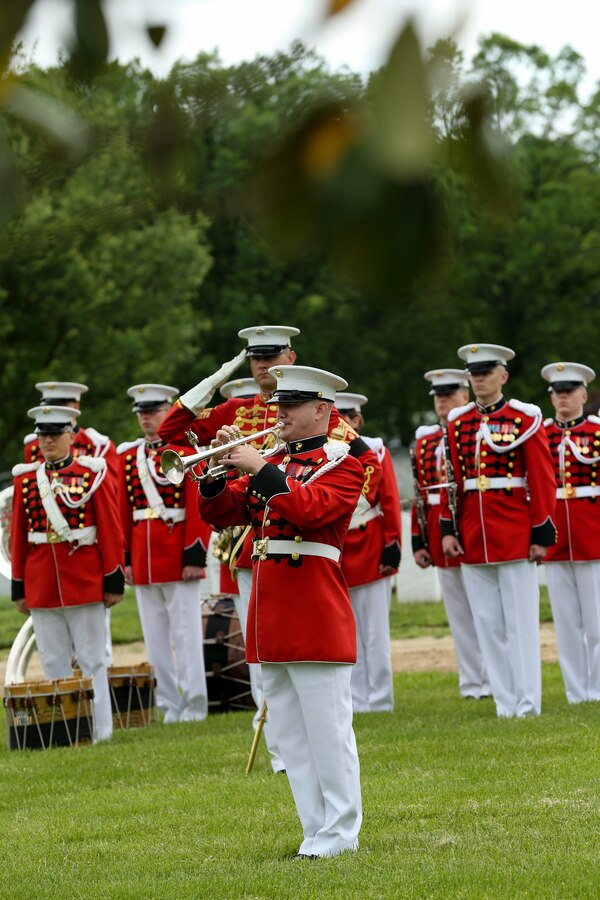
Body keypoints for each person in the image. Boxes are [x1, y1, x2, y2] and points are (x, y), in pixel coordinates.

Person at [158, 325, 382, 772]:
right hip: (252, 552)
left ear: (290, 359)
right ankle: (284, 753)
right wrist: (219, 470)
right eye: (255, 358)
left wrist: (270, 473)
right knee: (272, 670)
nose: (263, 366)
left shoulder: (331, 437)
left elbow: (359, 475)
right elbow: (173, 433)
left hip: (307, 550)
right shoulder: (238, 410)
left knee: (317, 695)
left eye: (270, 357)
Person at [198, 365, 364, 859]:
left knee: (328, 732)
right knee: (290, 733)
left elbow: (309, 509)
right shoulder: (270, 461)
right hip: (270, 612)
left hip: (314, 608)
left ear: (321, 410)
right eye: (279, 406)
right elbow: (225, 513)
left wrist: (256, 467)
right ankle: (315, 832)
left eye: (290, 407)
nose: (280, 414)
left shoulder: (345, 461)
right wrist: (214, 473)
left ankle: (342, 833)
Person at [440, 344, 556, 718]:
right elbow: (452, 481)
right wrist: (448, 529)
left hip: (515, 532)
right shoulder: (458, 421)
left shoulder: (525, 418)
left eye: (486, 371)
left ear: (503, 376)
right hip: (474, 534)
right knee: (487, 624)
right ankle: (505, 704)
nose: (478, 378)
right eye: (474, 372)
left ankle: (527, 703)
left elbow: (541, 477)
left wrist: (541, 531)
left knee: (521, 624)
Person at [11, 405, 124, 742]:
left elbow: (109, 529)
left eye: (55, 434)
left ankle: (101, 729)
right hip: (41, 582)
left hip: (85, 580)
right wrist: (20, 587)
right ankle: (64, 730)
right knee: (53, 661)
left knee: (92, 660)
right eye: (43, 435)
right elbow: (18, 536)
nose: (47, 441)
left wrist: (112, 579)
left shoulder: (93, 473)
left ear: (71, 436)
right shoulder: (26, 478)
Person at [118, 383, 211, 724]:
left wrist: (193, 556)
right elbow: (123, 513)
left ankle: (194, 705)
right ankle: (168, 704)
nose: (147, 418)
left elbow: (199, 506)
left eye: (154, 411)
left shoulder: (185, 450)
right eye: (142, 412)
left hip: (177, 554)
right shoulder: (129, 458)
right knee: (156, 641)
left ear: (170, 410)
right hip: (143, 560)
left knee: (186, 636)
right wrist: (125, 559)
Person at [411, 369, 490, 700]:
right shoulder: (426, 439)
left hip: (470, 522)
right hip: (435, 524)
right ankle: (473, 681)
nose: (441, 400)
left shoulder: (472, 430)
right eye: (437, 395)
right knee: (458, 612)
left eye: (449, 393)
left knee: (484, 610)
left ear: (465, 395)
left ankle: (493, 676)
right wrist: (419, 539)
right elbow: (419, 492)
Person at [335, 391, 401, 712]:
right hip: (339, 552)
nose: (340, 425)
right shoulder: (326, 453)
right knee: (349, 634)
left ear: (357, 420)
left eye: (346, 418)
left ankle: (381, 698)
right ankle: (357, 698)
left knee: (375, 633)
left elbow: (388, 500)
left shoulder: (374, 448)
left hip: (371, 545)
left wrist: (393, 546)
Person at [541, 361, 600, 703]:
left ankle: (596, 687)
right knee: (565, 622)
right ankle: (576, 692)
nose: (562, 397)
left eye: (568, 391)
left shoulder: (596, 430)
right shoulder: (543, 433)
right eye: (556, 392)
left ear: (583, 394)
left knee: (596, 622)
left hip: (592, 532)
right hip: (557, 535)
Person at [24, 381, 119, 482]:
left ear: (76, 406)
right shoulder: (33, 446)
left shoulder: (98, 445)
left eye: (60, 407)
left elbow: (112, 487)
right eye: (50, 406)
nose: (53, 411)